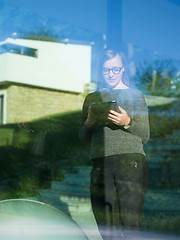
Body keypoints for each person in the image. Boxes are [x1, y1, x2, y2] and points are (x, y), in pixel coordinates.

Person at [79, 49, 150, 239]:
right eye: (106, 70)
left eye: (115, 69)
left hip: (130, 163)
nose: (111, 74)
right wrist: (89, 123)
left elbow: (146, 135)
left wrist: (127, 122)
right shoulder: (92, 98)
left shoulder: (135, 96)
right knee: (106, 226)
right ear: (100, 70)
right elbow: (82, 139)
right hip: (101, 165)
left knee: (130, 224)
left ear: (123, 69)